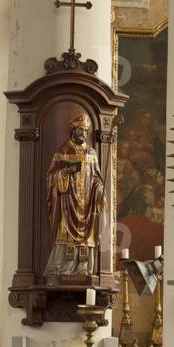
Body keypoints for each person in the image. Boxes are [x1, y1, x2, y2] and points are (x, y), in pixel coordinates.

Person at [45, 113, 105, 280]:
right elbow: (51, 176)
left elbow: (96, 178)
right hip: (67, 203)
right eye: (80, 130)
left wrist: (100, 190)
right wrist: (63, 173)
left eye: (86, 131)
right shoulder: (62, 151)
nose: (83, 133)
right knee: (64, 233)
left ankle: (83, 267)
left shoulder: (91, 153)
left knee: (87, 235)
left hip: (87, 204)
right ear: (73, 130)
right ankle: (62, 267)